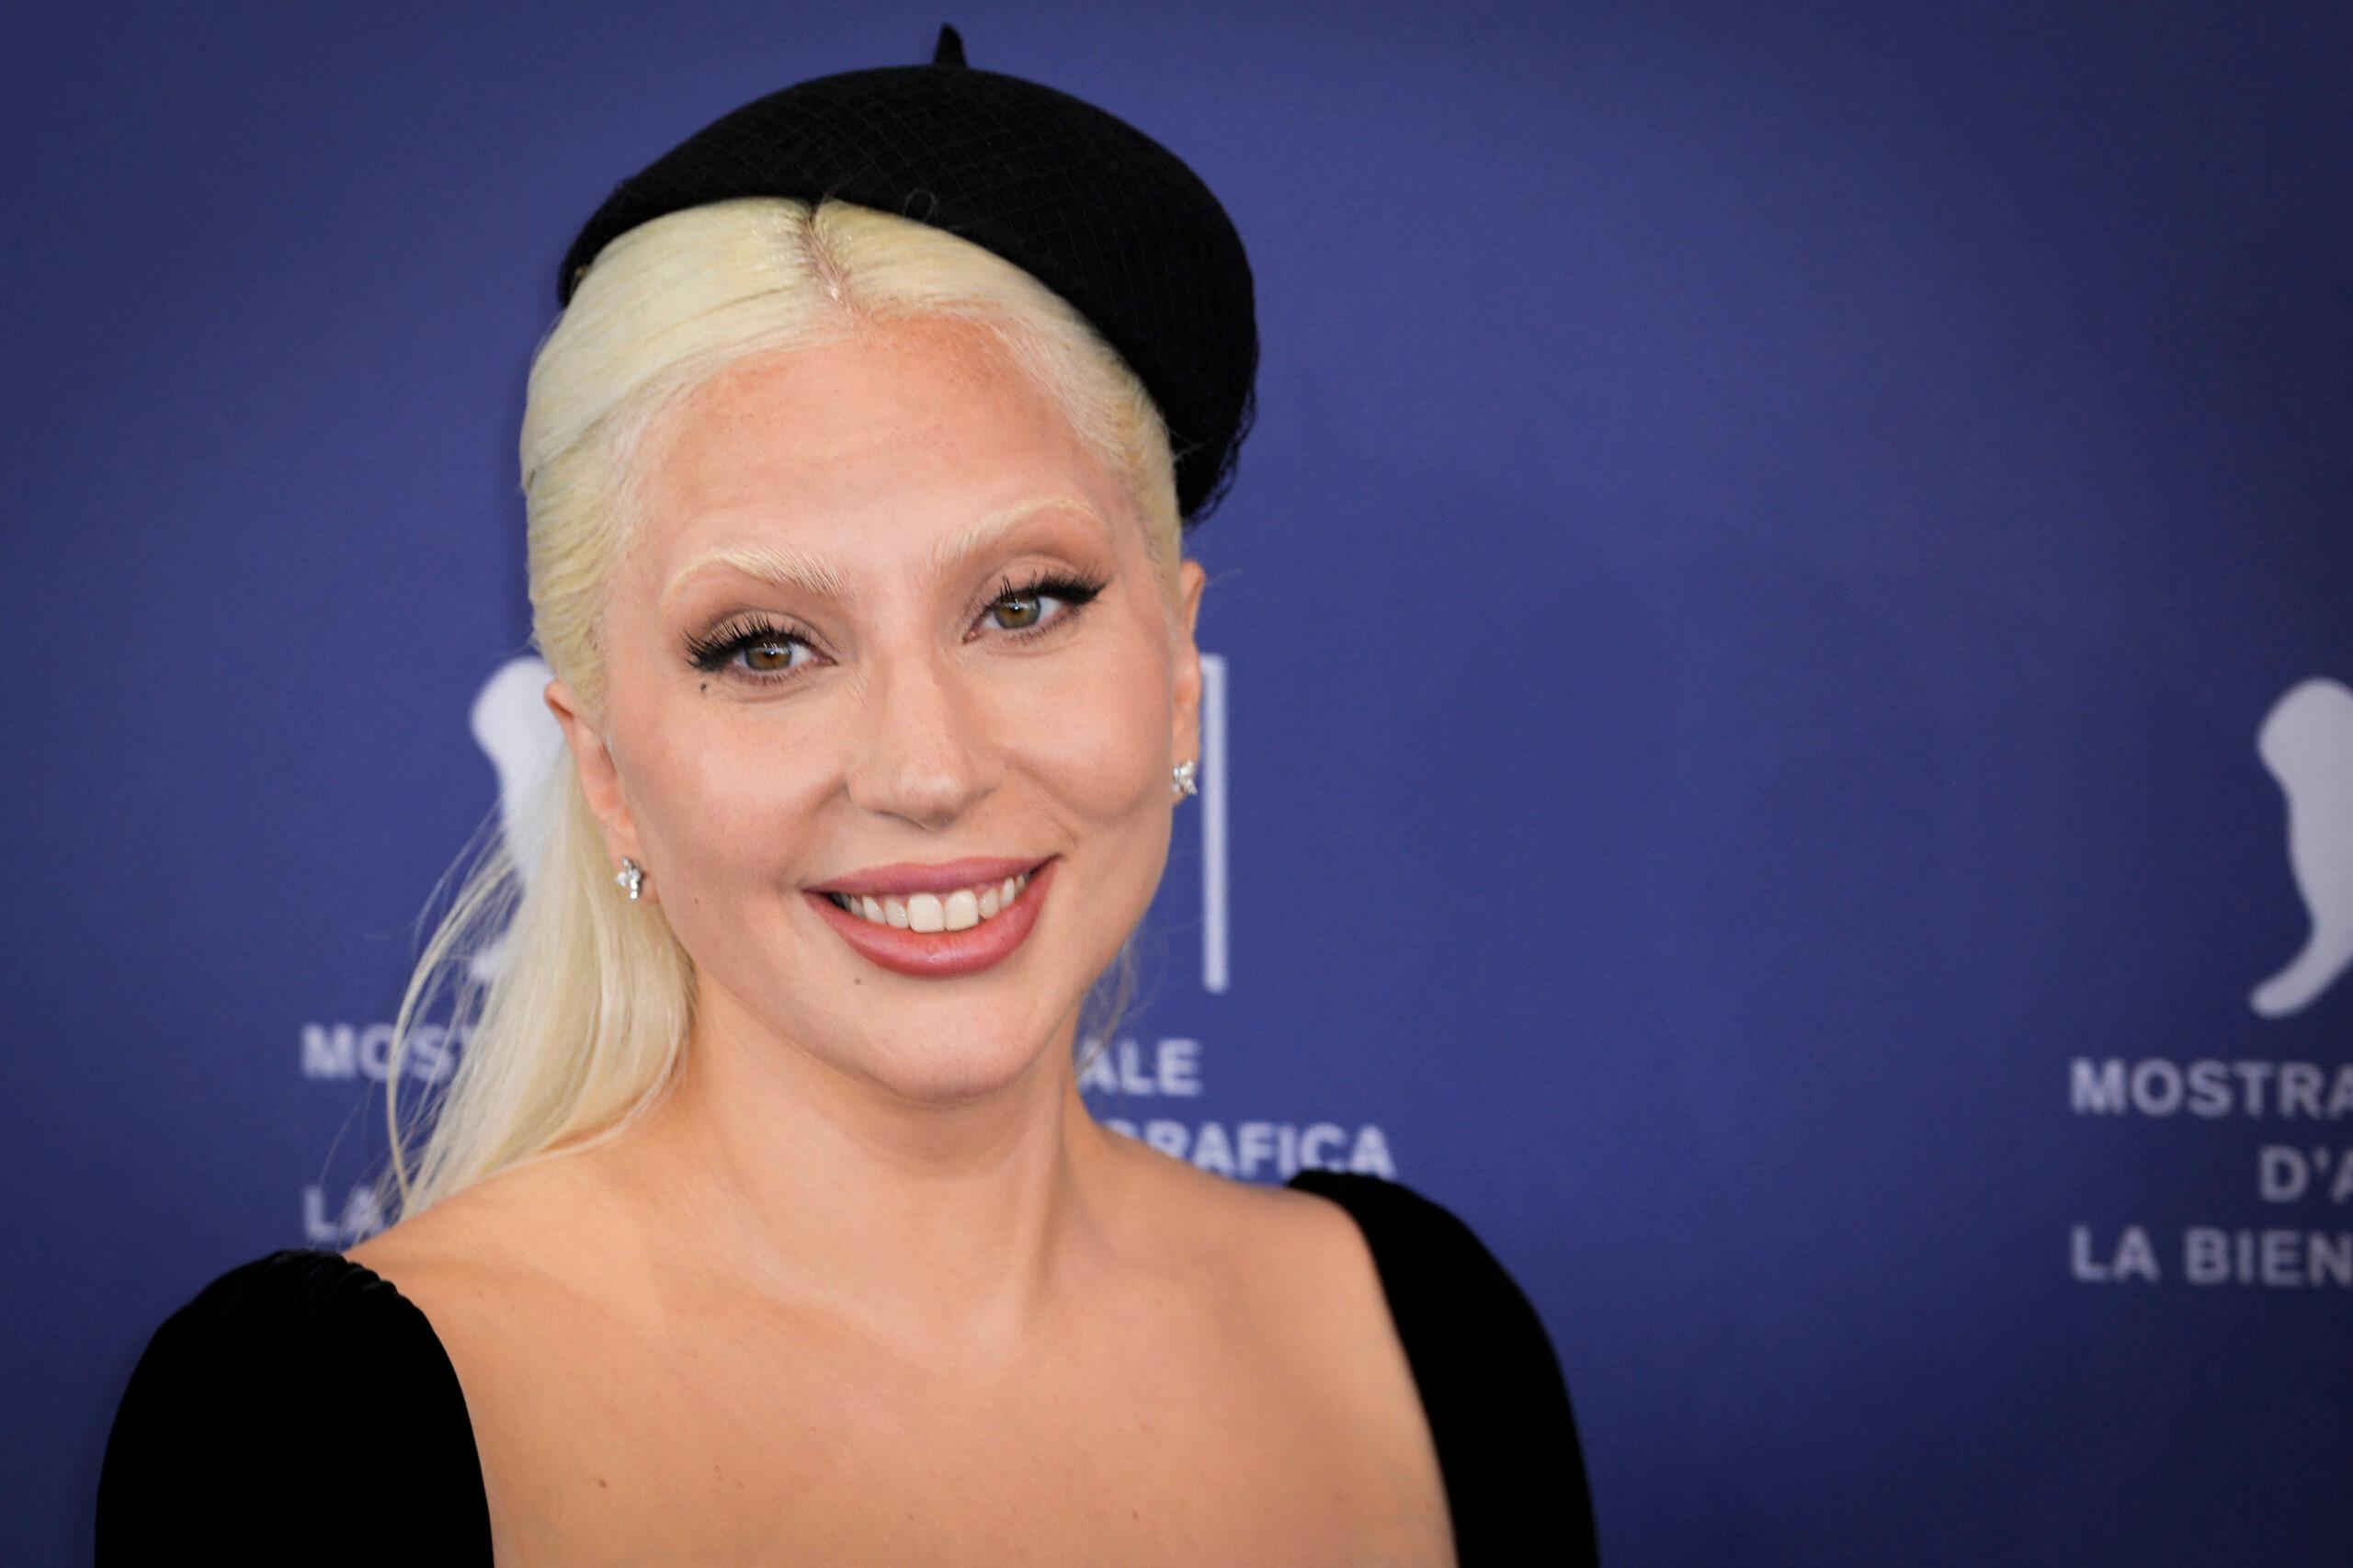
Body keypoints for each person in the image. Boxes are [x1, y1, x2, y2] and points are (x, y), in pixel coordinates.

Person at [96, 29, 1597, 1565]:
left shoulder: (1422, 1335)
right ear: (605, 769)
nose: (929, 771)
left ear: (1181, 669)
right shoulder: (314, 1431)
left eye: (1023, 604)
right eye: (765, 645)